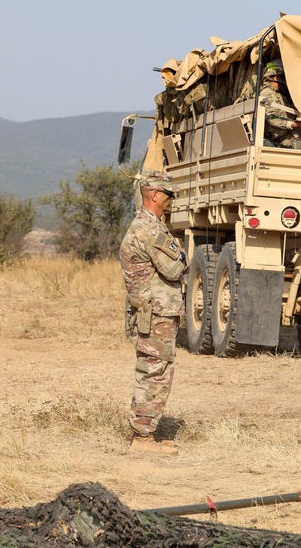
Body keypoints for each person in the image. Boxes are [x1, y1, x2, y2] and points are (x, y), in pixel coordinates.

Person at [119, 171, 187, 456]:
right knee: (154, 373)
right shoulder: (150, 230)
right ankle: (143, 438)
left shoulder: (144, 226)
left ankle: (146, 433)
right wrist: (182, 254)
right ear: (155, 195)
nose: (172, 200)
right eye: (169, 194)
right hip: (157, 313)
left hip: (153, 311)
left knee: (153, 370)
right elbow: (174, 268)